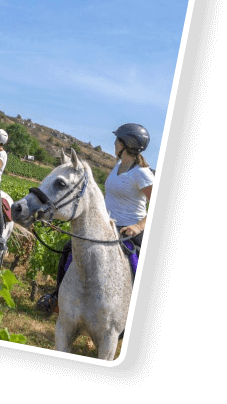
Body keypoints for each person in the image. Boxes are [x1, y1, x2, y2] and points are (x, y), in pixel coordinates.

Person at [35, 123, 155, 316]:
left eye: (118, 140)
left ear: (126, 144)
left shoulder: (142, 173)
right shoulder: (117, 167)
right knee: (69, 249)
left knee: (136, 260)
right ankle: (57, 296)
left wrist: (139, 227)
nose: (114, 144)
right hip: (106, 226)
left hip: (129, 229)